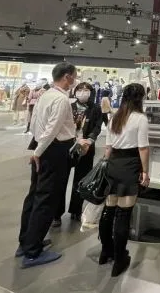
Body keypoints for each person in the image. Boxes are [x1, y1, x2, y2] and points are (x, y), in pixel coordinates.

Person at [16, 62, 89, 268]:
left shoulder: (45, 95)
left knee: (34, 196)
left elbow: (35, 124)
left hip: (43, 148)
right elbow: (53, 129)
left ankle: (26, 241)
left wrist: (38, 148)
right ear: (67, 77)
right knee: (46, 199)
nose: (75, 80)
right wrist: (39, 152)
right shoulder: (61, 99)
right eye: (74, 76)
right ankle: (33, 252)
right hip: (53, 151)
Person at [99, 83, 150, 277]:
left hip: (113, 164)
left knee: (108, 210)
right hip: (129, 166)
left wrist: (105, 165)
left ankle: (106, 251)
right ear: (140, 98)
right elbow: (143, 148)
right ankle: (119, 259)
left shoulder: (115, 117)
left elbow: (108, 147)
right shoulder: (140, 119)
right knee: (123, 214)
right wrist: (145, 171)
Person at [54, 82, 104, 225]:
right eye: (80, 89)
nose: (83, 92)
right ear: (75, 92)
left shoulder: (96, 108)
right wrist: (74, 139)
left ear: (91, 92)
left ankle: (76, 210)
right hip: (68, 146)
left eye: (86, 89)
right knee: (61, 179)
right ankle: (56, 214)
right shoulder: (69, 106)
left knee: (81, 179)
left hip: (86, 148)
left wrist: (89, 140)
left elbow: (98, 126)